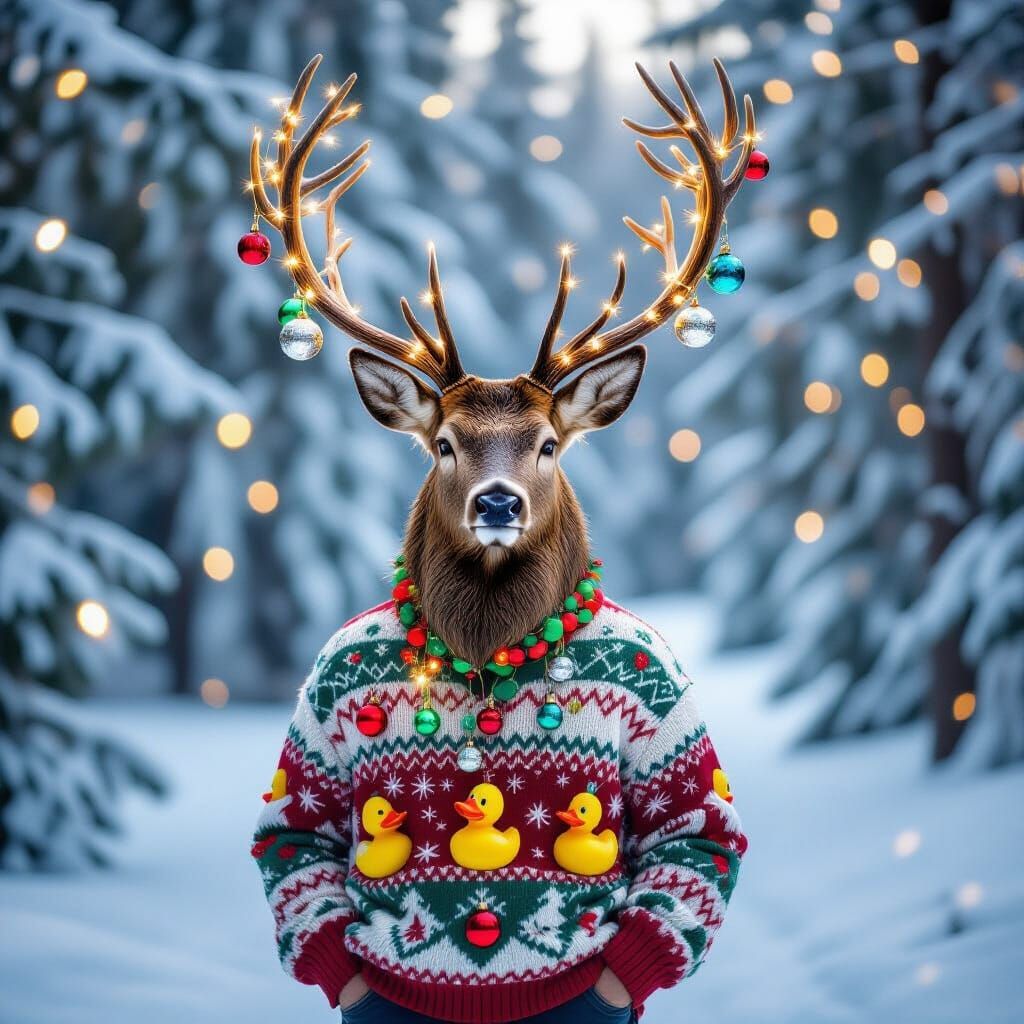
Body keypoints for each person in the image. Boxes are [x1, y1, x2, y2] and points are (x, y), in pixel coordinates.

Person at [252, 557, 746, 1023]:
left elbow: (700, 835)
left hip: (579, 1008)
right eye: (461, 458)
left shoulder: (630, 660)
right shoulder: (354, 663)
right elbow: (294, 835)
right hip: (390, 1007)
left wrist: (631, 970)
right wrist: (342, 975)